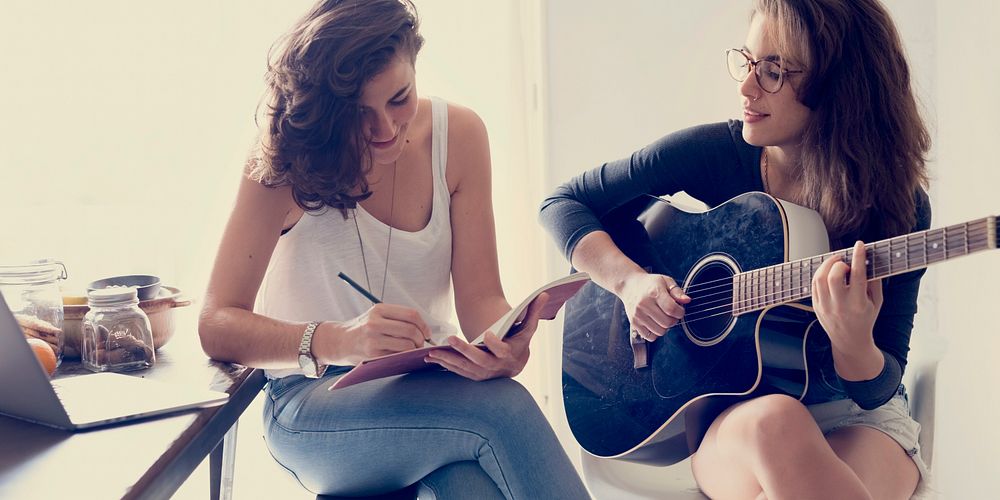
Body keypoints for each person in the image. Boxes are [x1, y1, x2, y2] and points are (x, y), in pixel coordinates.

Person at [540, 0, 931, 498]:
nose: (746, 87)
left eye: (773, 71)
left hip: (855, 415)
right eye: (748, 62)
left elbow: (877, 388)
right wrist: (629, 281)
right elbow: (563, 203)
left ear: (839, 86)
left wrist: (853, 342)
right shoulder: (718, 154)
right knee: (777, 423)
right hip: (737, 418)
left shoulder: (898, 205)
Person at [198, 1, 588, 498]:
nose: (385, 130)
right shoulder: (285, 160)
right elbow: (217, 324)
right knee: (502, 410)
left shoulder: (459, 137)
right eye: (359, 113)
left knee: (471, 484)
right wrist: (339, 339)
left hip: (431, 388)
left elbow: (480, 301)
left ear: (416, 65)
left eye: (399, 98)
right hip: (311, 401)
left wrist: (505, 346)